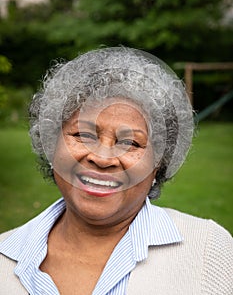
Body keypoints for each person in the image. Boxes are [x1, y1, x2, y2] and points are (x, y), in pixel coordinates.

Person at [0, 47, 232, 295]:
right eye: (83, 135)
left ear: (158, 164)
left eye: (131, 143)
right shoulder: (4, 257)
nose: (102, 158)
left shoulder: (210, 252)